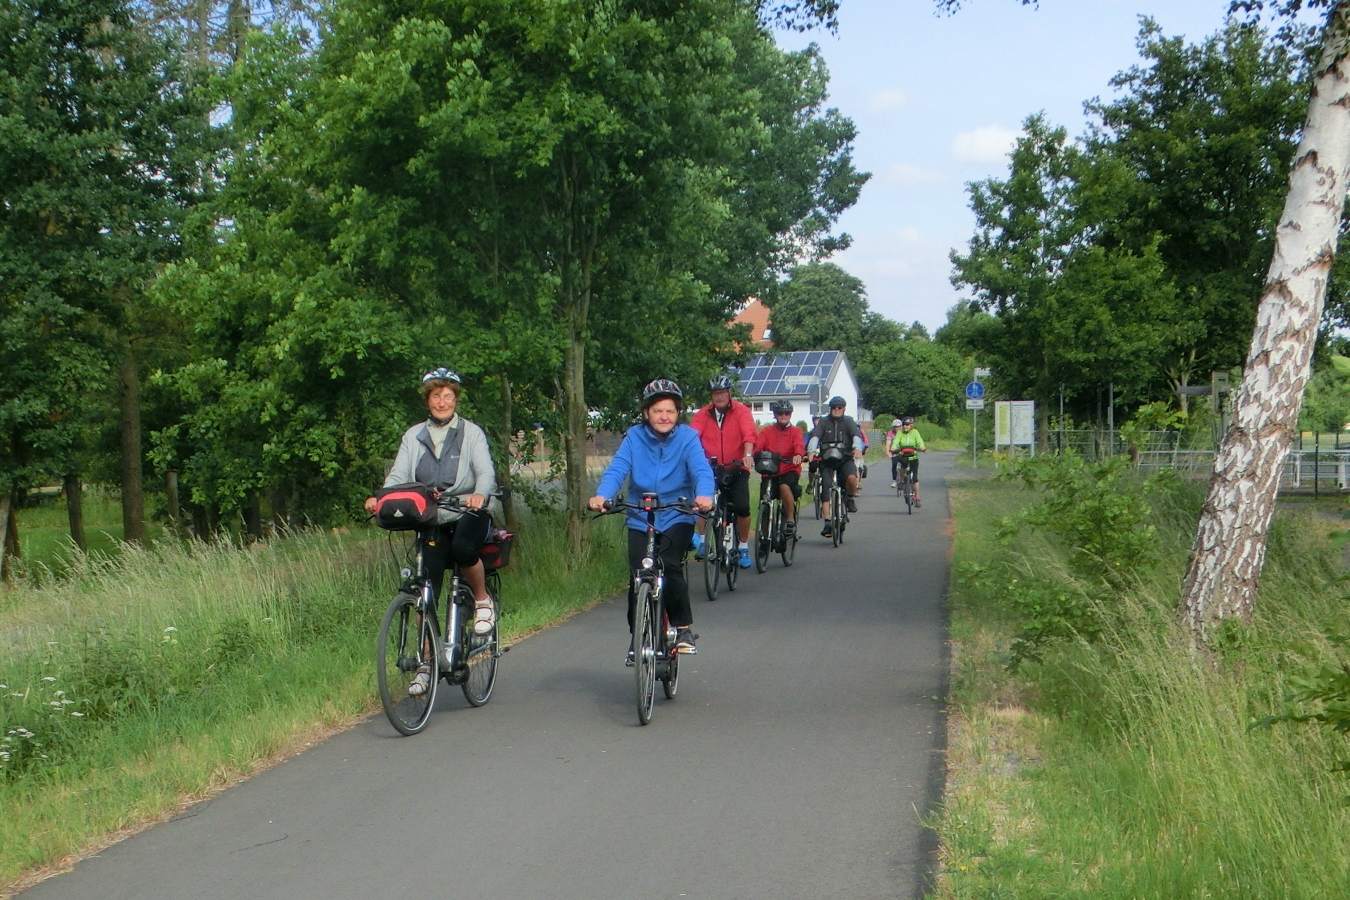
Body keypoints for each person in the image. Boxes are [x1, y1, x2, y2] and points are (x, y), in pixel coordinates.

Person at [364, 367, 498, 696]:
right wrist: (382, 498)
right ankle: (426, 665)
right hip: (433, 515)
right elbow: (399, 475)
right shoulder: (414, 436)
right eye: (436, 396)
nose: (442, 402)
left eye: (448, 396)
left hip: (469, 510)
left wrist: (480, 494)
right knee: (426, 589)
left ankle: (482, 601)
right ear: (428, 400)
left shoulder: (471, 433)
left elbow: (485, 472)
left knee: (463, 549)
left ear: (456, 400)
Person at [589, 379, 714, 657]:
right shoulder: (635, 437)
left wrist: (704, 495)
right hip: (640, 514)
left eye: (670, 410)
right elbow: (618, 468)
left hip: (676, 513)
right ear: (646, 413)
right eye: (657, 411)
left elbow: (701, 470)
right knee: (638, 572)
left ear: (678, 413)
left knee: (668, 563)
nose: (664, 416)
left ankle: (682, 628)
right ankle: (639, 637)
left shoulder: (688, 438)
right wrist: (602, 495)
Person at [690, 374, 758, 567]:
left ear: (729, 393)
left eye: (722, 392)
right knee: (702, 503)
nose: (719, 396)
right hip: (710, 469)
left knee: (742, 507)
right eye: (715, 393)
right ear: (711, 396)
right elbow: (692, 436)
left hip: (737, 467)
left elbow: (749, 434)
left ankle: (743, 546)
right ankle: (704, 542)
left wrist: (747, 454)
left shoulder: (741, 411)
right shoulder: (703, 414)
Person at [806, 396, 864, 537]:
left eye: (839, 407)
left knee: (851, 478)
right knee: (826, 489)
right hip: (827, 461)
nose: (836, 410)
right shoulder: (824, 422)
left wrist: (857, 448)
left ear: (844, 409)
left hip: (845, 459)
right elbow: (815, 437)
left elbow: (856, 436)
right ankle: (827, 523)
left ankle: (849, 497)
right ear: (830, 409)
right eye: (834, 407)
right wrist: (811, 451)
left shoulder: (849, 421)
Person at [753, 399, 805, 534]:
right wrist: (754, 455)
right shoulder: (767, 431)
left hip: (789, 468)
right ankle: (764, 534)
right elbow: (758, 446)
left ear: (790, 414)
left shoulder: (796, 431)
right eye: (780, 413)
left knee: (784, 486)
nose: (783, 415)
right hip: (770, 469)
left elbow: (799, 445)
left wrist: (798, 454)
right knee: (765, 499)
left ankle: (790, 520)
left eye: (786, 413)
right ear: (775, 415)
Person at [889, 416, 927, 507]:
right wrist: (893, 448)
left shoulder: (915, 432)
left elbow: (919, 441)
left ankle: (917, 496)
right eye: (903, 425)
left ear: (911, 425)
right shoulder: (900, 433)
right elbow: (896, 442)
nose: (905, 426)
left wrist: (922, 447)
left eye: (907, 425)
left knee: (915, 478)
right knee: (903, 466)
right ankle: (901, 481)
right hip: (903, 455)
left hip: (913, 456)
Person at [883, 418, 904, 486]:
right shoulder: (890, 433)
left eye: (898, 427)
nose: (896, 428)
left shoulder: (904, 432)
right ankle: (894, 480)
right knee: (894, 464)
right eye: (895, 427)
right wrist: (888, 452)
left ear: (901, 426)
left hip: (904, 449)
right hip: (895, 450)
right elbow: (888, 443)